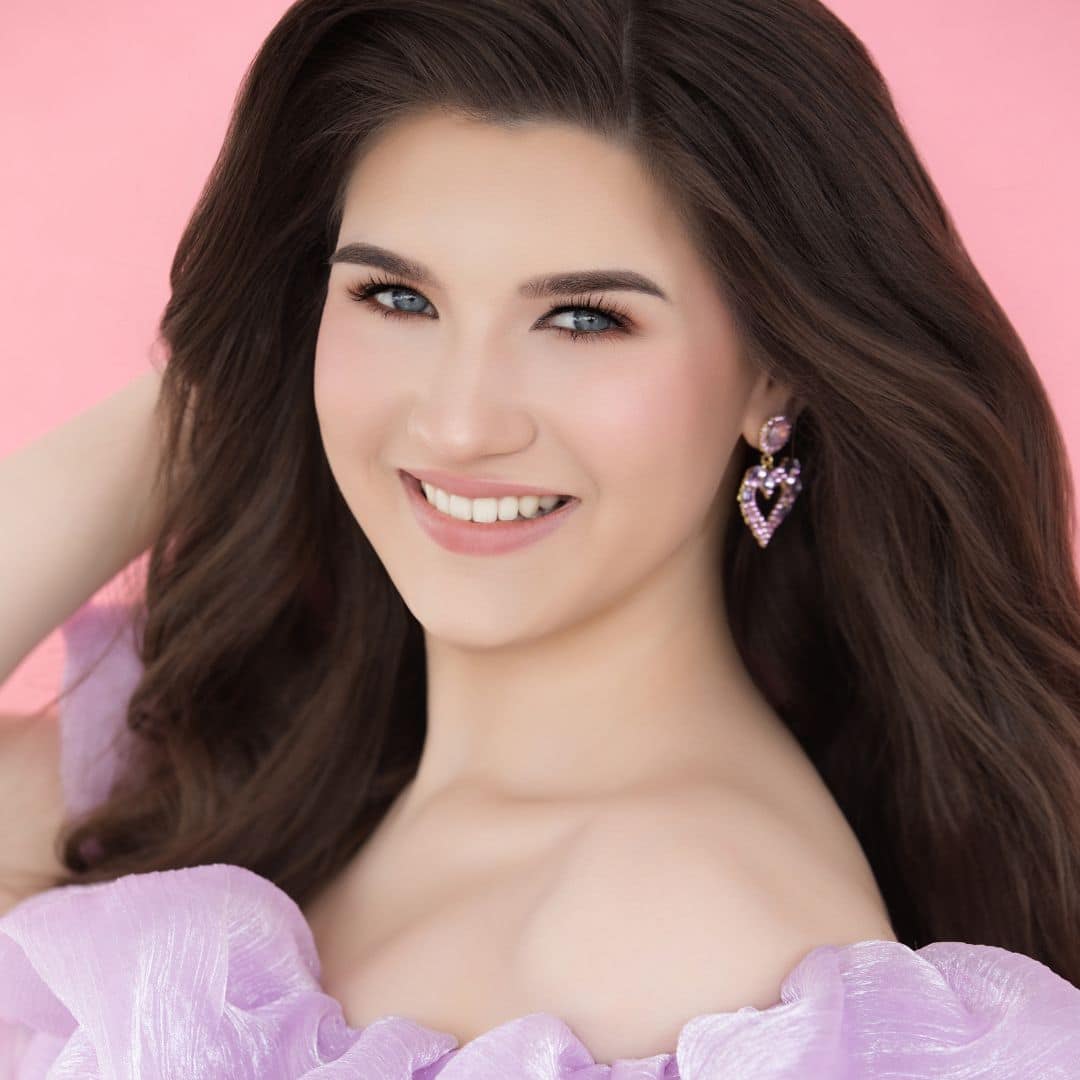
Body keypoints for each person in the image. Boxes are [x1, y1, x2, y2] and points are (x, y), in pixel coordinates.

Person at [2, 0, 1080, 1075]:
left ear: (773, 373)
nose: (461, 421)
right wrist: (233, 375)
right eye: (394, 296)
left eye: (584, 320)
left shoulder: (683, 933)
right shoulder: (277, 759)